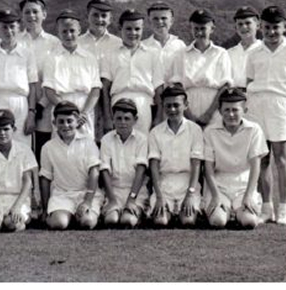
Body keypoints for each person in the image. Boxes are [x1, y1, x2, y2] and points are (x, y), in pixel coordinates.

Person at [245, 5, 286, 225]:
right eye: (267, 27)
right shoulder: (254, 52)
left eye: (276, 27)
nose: (271, 32)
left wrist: (284, 100)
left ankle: (283, 209)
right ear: (261, 27)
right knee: (262, 159)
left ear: (284, 26)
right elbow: (249, 81)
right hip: (256, 106)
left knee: (281, 158)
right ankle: (266, 208)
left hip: (280, 106)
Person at [203, 88, 268, 229]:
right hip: (219, 185)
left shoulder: (254, 129)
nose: (231, 114)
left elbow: (255, 165)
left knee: (249, 222)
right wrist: (216, 195)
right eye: (226, 110)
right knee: (218, 221)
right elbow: (208, 168)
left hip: (244, 185)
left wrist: (248, 196)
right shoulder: (210, 131)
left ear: (245, 110)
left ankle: (238, 211)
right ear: (220, 111)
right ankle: (226, 211)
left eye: (235, 110)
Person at [39, 102, 103, 230]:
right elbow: (45, 178)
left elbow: (94, 172)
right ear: (54, 123)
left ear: (77, 122)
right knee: (59, 224)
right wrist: (45, 208)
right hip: (62, 195)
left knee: (87, 222)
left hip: (86, 194)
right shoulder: (48, 147)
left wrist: (87, 201)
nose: (66, 125)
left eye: (69, 121)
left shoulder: (88, 143)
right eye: (61, 121)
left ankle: (85, 215)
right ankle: (65, 215)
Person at [101, 9, 164, 134]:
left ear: (142, 29)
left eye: (137, 29)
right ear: (120, 28)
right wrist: (107, 116)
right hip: (118, 102)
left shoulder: (153, 54)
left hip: (144, 104)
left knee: (142, 141)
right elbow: (105, 88)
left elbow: (159, 88)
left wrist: (158, 117)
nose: (133, 33)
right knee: (119, 142)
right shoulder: (110, 54)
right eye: (128, 29)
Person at [148, 84, 204, 227]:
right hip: (164, 183)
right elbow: (154, 166)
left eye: (176, 105)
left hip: (187, 183)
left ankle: (184, 212)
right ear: (163, 106)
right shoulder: (155, 132)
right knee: (160, 222)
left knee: (188, 221)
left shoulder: (195, 130)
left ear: (186, 105)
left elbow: (196, 164)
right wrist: (159, 196)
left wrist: (190, 194)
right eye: (168, 106)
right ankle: (169, 212)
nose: (172, 109)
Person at [42, 9, 101, 139]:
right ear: (58, 32)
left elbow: (95, 89)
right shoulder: (52, 58)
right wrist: (67, 111)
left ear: (79, 30)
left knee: (85, 146)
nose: (68, 35)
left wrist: (83, 113)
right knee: (61, 145)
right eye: (64, 31)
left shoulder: (89, 57)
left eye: (72, 31)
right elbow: (49, 91)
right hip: (61, 107)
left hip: (84, 109)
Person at [167, 9, 232, 127]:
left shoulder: (221, 53)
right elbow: (177, 87)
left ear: (212, 29)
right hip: (188, 103)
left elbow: (225, 86)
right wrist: (188, 115)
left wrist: (209, 114)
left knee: (214, 137)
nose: (199, 32)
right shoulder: (181, 54)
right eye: (195, 29)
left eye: (203, 28)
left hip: (214, 105)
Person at [0, 9, 37, 147]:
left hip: (20, 103)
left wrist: (31, 113)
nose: (9, 31)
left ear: (18, 27)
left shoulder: (27, 53)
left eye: (12, 26)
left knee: (22, 145)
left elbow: (32, 85)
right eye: (4, 27)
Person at [0, 109, 38, 232]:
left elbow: (28, 182)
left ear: (14, 129)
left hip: (18, 197)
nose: (2, 133)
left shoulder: (24, 150)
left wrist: (17, 207)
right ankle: (13, 220)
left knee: (10, 223)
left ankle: (21, 220)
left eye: (6, 129)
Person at [19, 0, 61, 157]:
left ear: (44, 14)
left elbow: (56, 78)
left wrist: (41, 105)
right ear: (22, 16)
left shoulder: (55, 43)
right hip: (21, 105)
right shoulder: (16, 42)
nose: (31, 16)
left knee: (43, 150)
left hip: (46, 106)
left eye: (35, 12)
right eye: (27, 12)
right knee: (22, 149)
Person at [99, 98, 149, 228]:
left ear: (135, 120)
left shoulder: (142, 140)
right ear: (113, 119)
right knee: (111, 220)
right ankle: (113, 209)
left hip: (135, 191)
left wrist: (131, 199)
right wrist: (112, 200)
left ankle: (139, 213)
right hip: (114, 191)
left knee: (128, 221)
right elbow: (105, 170)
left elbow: (141, 171)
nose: (122, 123)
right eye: (119, 118)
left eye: (127, 119)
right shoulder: (106, 139)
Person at [80, 0, 122, 141]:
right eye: (95, 15)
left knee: (110, 139)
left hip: (110, 99)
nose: (99, 19)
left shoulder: (118, 43)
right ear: (87, 16)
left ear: (110, 19)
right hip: (86, 98)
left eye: (104, 16)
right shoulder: (78, 43)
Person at [142, 2, 187, 72]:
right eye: (155, 19)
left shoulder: (180, 46)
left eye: (164, 18)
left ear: (171, 21)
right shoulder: (142, 47)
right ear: (149, 21)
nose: (160, 22)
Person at [228, 6, 262, 89]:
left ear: (257, 25)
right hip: (233, 95)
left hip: (257, 94)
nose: (244, 27)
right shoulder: (229, 53)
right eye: (240, 24)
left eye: (248, 23)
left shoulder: (265, 51)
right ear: (236, 28)